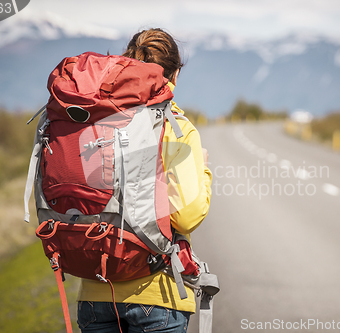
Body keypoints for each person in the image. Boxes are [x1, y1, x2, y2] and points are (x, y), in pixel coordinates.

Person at [76, 28, 212, 333]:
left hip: (95, 293)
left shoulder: (97, 122)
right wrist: (203, 169)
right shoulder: (176, 128)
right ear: (175, 74)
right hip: (157, 295)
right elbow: (186, 216)